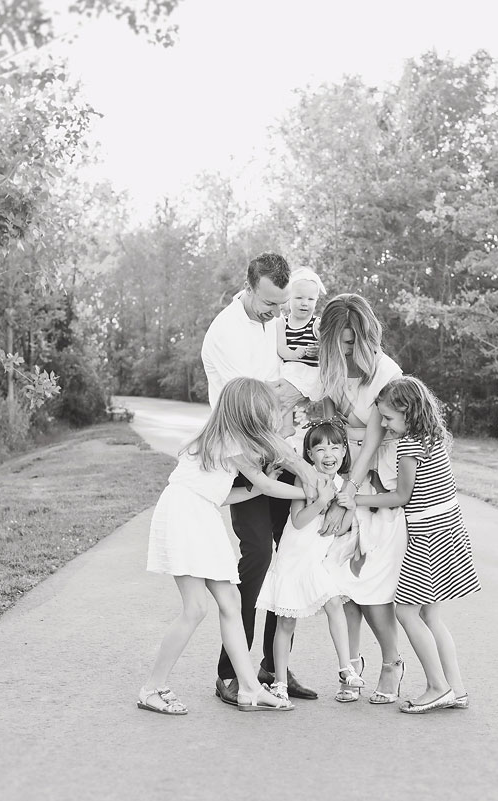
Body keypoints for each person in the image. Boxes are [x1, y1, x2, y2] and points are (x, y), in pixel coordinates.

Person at [139, 378, 332, 714]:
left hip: (200, 511)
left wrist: (267, 487)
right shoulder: (233, 440)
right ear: (246, 414)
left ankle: (249, 688)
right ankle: (152, 688)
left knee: (230, 601)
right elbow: (266, 485)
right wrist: (311, 492)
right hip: (186, 514)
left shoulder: (225, 439)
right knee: (195, 608)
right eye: (263, 414)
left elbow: (228, 493)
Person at [200, 253, 324, 705]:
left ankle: (276, 668)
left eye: (282, 305)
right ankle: (230, 671)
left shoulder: (271, 319)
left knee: (289, 554)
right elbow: (253, 413)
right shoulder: (226, 333)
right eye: (270, 304)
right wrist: (300, 464)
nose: (278, 314)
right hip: (244, 457)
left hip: (278, 443)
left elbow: (289, 380)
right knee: (256, 557)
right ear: (248, 286)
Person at [354, 376, 480, 714]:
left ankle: (437, 687)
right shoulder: (431, 439)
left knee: (406, 611)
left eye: (388, 418)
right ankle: (456, 688)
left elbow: (401, 497)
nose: (383, 424)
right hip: (448, 529)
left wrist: (356, 498)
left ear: (408, 412)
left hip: (428, 536)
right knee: (431, 615)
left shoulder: (409, 446)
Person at [315, 294, 410, 705]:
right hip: (341, 478)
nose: (349, 350)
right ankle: (351, 666)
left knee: (372, 586)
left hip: (371, 484)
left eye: (355, 342)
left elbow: (371, 443)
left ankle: (392, 663)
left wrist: (347, 497)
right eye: (342, 342)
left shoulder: (385, 373)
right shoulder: (330, 369)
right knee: (340, 583)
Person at [255, 420, 366, 703]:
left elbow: (337, 530)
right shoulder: (304, 479)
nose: (328, 454)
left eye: (335, 447)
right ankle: (279, 682)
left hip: (315, 564)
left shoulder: (344, 485)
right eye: (320, 448)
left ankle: (345, 668)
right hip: (292, 562)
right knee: (286, 624)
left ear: (344, 452)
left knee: (334, 605)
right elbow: (298, 520)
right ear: (310, 454)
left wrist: (349, 508)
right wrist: (320, 501)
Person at [274, 268, 326, 434]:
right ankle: (285, 426)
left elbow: (328, 347)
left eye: (311, 299)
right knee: (277, 387)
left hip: (310, 372)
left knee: (283, 389)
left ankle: (288, 427)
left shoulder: (316, 324)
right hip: (290, 369)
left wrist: (319, 350)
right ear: (288, 297)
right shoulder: (283, 322)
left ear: (316, 301)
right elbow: (281, 349)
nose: (305, 303)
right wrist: (295, 353)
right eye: (299, 298)